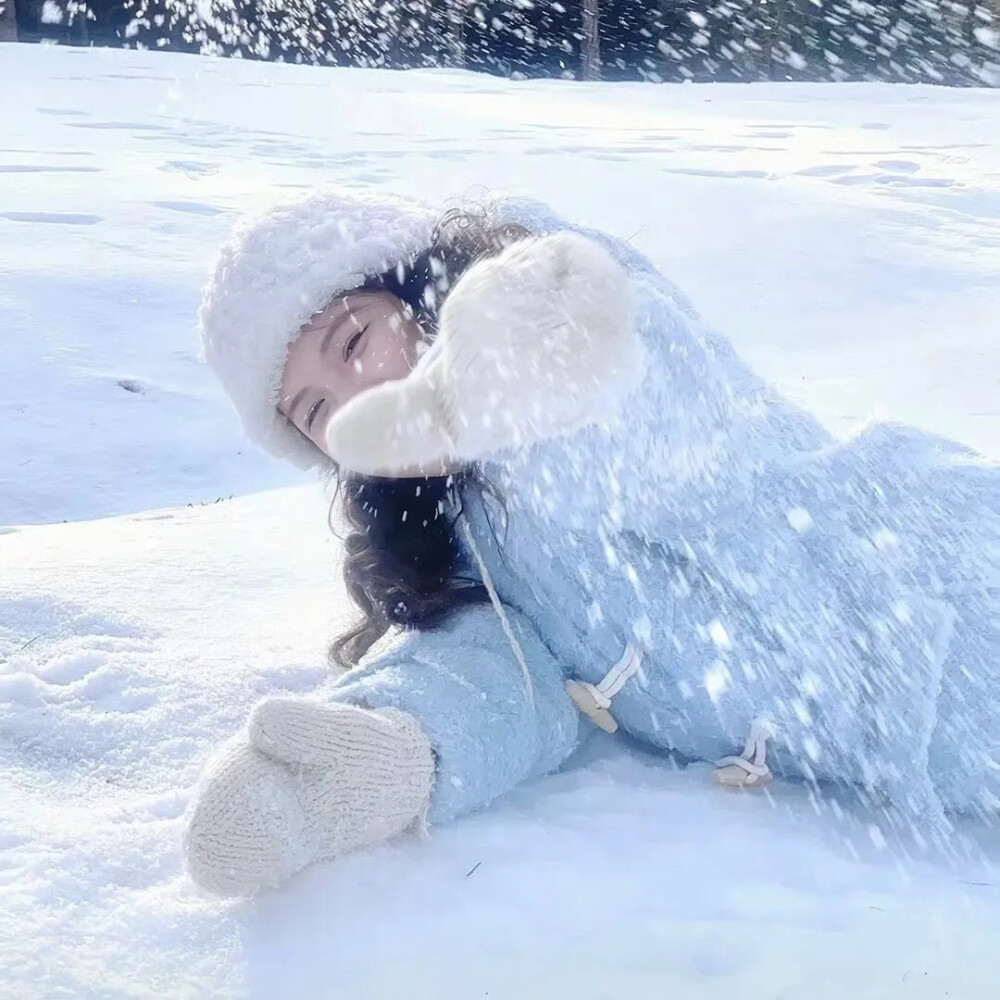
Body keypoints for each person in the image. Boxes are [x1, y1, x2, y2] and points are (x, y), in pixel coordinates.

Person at [186, 187, 1000, 897]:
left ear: (410, 289)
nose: (359, 398)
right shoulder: (454, 531)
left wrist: (492, 392)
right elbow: (497, 666)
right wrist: (389, 747)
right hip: (934, 744)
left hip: (949, 580)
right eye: (318, 412)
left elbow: (682, 439)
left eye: (355, 343)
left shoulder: (560, 301)